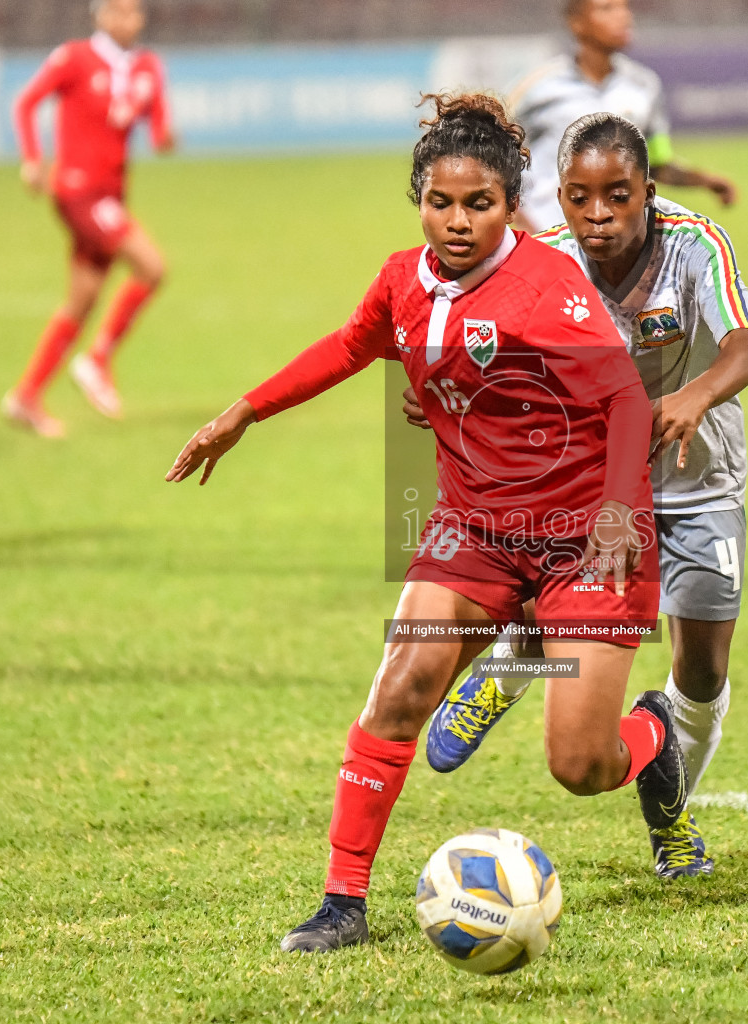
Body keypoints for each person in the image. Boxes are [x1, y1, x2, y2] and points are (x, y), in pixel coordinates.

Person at [166, 94, 687, 953]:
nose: (456, 222)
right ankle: (342, 902)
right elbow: (346, 346)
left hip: (586, 541)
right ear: (418, 200)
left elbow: (627, 402)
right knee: (404, 680)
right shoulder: (402, 280)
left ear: (512, 205)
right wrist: (244, 412)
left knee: (579, 765)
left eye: (478, 204)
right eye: (439, 203)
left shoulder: (548, 288)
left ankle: (653, 735)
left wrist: (617, 513)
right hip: (475, 529)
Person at [414, 113, 748, 880]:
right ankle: (511, 674)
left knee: (701, 671)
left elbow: (747, 346)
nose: (598, 214)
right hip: (597, 483)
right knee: (554, 615)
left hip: (699, 481)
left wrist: (698, 394)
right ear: (560, 198)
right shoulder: (547, 263)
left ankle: (659, 791)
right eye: (578, 197)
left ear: (648, 190)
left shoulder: (695, 244)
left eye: (617, 195)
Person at [4, 0, 172, 437]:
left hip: (112, 193)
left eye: (134, 12)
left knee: (83, 299)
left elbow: (158, 130)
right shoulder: (74, 57)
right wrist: (32, 159)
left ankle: (26, 396)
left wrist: (165, 136)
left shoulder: (148, 67)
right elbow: (26, 104)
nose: (126, 19)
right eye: (116, 10)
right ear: (99, 15)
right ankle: (97, 360)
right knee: (152, 267)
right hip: (78, 190)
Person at [509, 0, 736, 234]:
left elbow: (656, 163)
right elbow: (496, 157)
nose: (624, 17)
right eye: (607, 8)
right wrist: (520, 218)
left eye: (624, 7)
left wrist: (705, 181)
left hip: (612, 241)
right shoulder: (537, 88)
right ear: (577, 23)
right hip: (548, 235)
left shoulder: (644, 86)